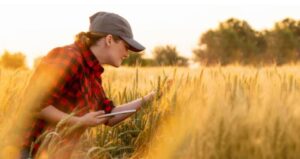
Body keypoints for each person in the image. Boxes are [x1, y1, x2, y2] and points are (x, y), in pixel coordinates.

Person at [19, 11, 156, 159]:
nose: (127, 53)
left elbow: (109, 116)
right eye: (126, 46)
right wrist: (79, 121)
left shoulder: (92, 73)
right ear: (109, 40)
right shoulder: (68, 56)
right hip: (28, 152)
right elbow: (35, 105)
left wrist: (149, 98)